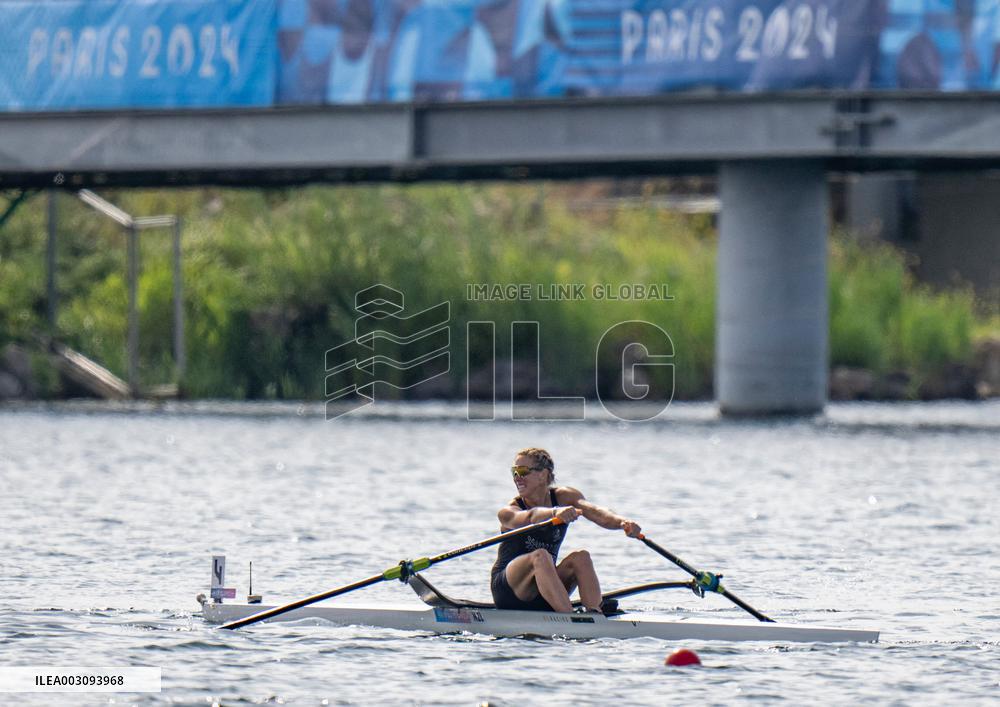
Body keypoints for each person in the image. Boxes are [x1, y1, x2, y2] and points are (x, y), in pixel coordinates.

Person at [490, 447, 641, 613]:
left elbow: (597, 512)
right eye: (514, 472)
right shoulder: (508, 511)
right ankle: (570, 617)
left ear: (543, 475)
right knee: (541, 556)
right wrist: (554, 513)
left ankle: (594, 613)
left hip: (546, 591)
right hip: (509, 592)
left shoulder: (565, 497)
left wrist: (623, 523)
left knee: (581, 557)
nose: (517, 477)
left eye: (522, 471)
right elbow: (530, 517)